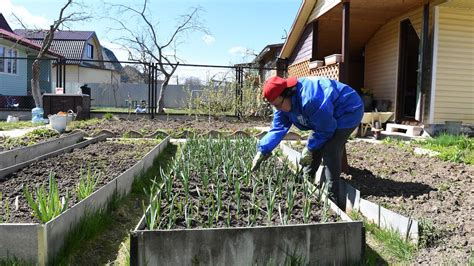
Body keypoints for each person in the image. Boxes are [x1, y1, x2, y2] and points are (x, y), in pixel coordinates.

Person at [251, 76, 364, 204]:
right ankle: (305, 182)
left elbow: (326, 129)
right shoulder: (281, 102)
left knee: (330, 148)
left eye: (278, 105)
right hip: (326, 114)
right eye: (274, 106)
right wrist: (263, 150)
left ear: (288, 93)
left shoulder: (310, 99)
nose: (277, 109)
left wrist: (309, 148)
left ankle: (332, 196)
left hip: (348, 110)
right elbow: (278, 128)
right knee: (315, 144)